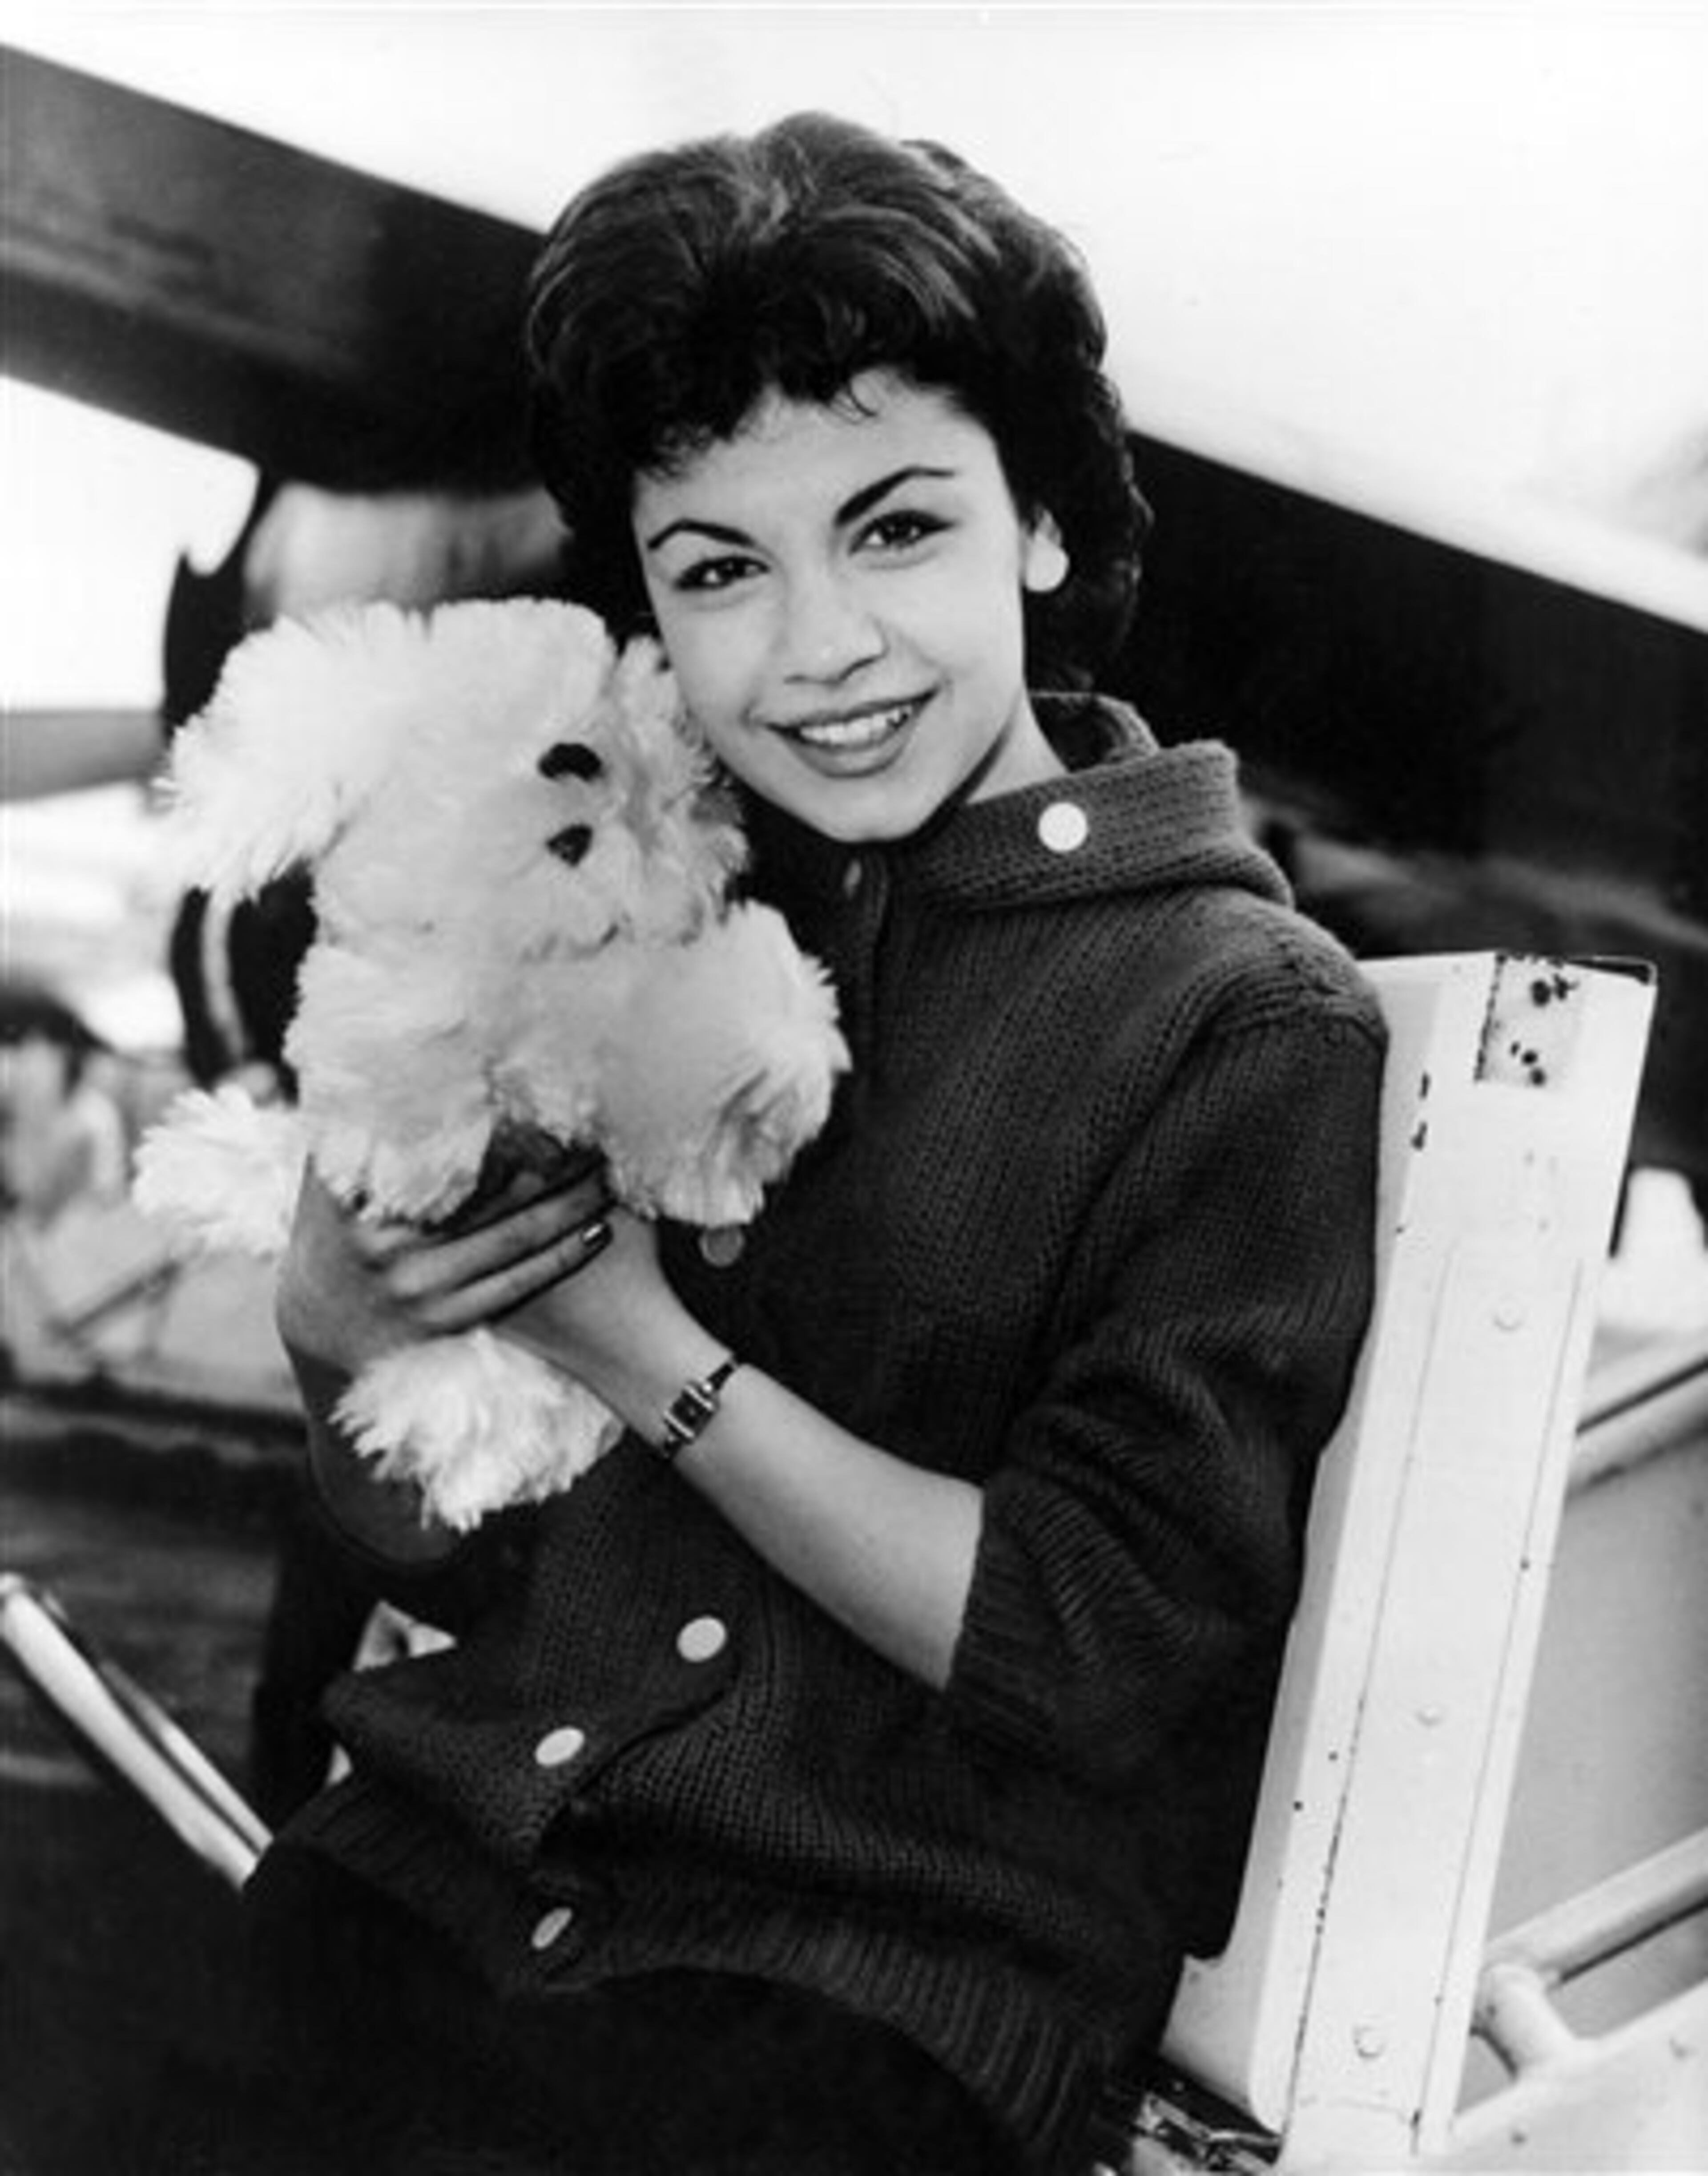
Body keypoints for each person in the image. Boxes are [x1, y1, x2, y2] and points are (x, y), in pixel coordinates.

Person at [180, 112, 1386, 2176]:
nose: (814, 645)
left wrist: (645, 1349)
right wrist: (334, 1341)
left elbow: (1094, 1654)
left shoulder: (1235, 1019)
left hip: (834, 2024)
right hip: (423, 1885)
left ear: (1038, 522)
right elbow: (470, 1547)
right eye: (720, 567)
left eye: (897, 528)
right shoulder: (667, 894)